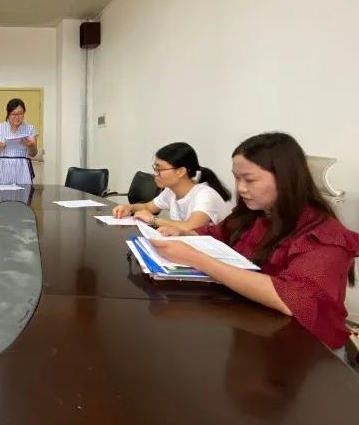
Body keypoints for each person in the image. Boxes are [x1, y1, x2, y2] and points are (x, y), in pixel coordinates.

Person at [152, 132, 359, 351]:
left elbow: (291, 299)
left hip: (307, 349)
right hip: (256, 326)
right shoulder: (256, 212)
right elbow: (219, 232)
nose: (240, 188)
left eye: (249, 180)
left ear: (285, 179)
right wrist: (185, 233)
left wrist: (197, 259)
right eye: (237, 178)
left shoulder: (324, 236)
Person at [113, 142, 231, 231]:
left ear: (180, 172)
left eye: (160, 169)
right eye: (155, 168)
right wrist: (129, 207)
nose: (155, 174)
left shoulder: (205, 195)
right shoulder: (171, 191)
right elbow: (148, 207)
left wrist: (153, 219)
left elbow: (191, 228)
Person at [0, 98, 39, 185]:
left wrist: (30, 146)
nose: (17, 117)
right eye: (14, 114)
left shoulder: (30, 128)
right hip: (3, 166)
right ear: (8, 114)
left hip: (22, 167)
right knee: (1, 192)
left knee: (24, 192)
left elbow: (33, 153)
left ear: (24, 113)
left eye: (20, 114)